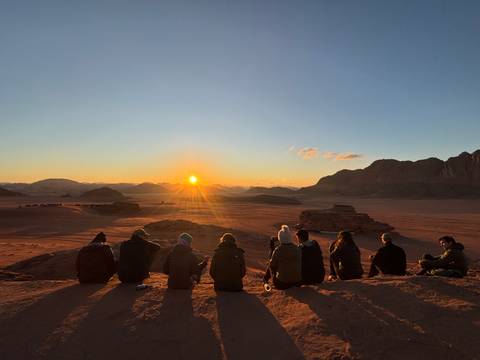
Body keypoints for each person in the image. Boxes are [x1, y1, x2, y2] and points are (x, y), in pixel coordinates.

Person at [267, 225, 302, 290]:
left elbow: (272, 265)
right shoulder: (297, 248)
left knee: (270, 264)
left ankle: (269, 280)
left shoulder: (278, 250)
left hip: (282, 284)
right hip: (297, 282)